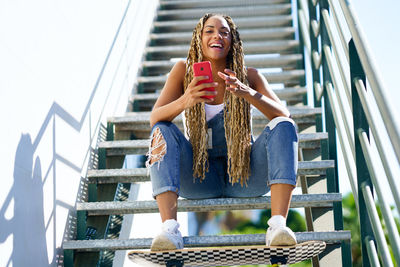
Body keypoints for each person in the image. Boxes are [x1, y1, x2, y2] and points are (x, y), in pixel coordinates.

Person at [146, 13, 298, 251]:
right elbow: (155, 117)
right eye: (209, 30)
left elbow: (284, 115)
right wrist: (186, 100)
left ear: (232, 41)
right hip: (199, 176)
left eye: (224, 32)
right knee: (161, 130)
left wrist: (247, 92)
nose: (217, 35)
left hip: (244, 175)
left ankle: (278, 226)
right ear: (199, 37)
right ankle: (169, 231)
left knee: (284, 125)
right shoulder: (182, 71)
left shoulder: (250, 76)